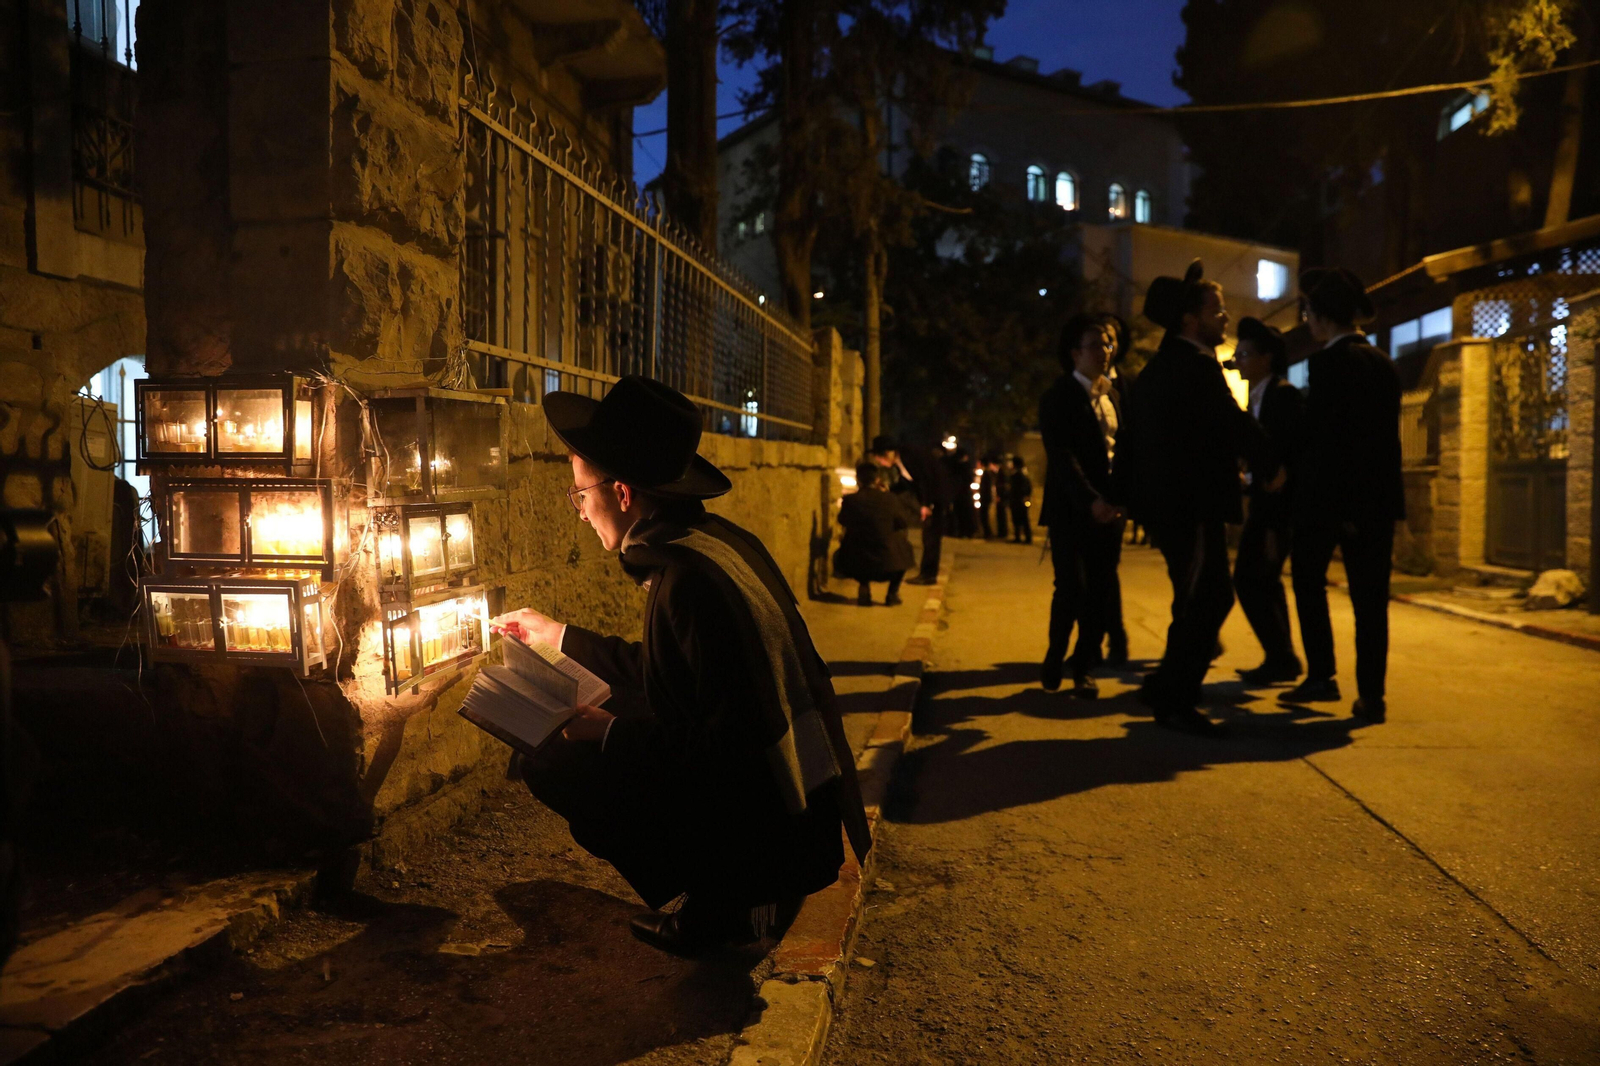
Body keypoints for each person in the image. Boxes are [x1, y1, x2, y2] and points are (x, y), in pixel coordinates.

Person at [493, 375, 871, 956]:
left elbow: (729, 750)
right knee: (598, 723)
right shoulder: (715, 544)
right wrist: (559, 636)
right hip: (798, 812)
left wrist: (612, 732)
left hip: (774, 831)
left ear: (622, 494)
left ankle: (728, 910)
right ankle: (736, 895)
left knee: (553, 758)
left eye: (579, 495)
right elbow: (678, 674)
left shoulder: (688, 583)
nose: (579, 513)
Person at [1116, 260, 1282, 737]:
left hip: (1176, 505)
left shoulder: (1169, 365)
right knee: (1206, 598)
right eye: (1218, 309)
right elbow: (1232, 423)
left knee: (1200, 598)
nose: (1225, 318)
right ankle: (1176, 698)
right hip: (1188, 505)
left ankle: (1167, 686)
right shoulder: (1188, 367)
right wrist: (1273, 462)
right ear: (1191, 319)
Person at [1280, 268, 1404, 722]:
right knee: (1371, 601)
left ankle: (1321, 676)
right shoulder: (1384, 363)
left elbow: (1324, 439)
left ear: (1324, 317)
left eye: (1310, 311)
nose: (1307, 320)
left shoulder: (1329, 364)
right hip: (1378, 501)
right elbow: (1383, 442)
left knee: (1308, 581)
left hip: (1330, 501)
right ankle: (1372, 695)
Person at [1038, 313, 1125, 698]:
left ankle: (1084, 665)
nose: (1104, 352)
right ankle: (1056, 654)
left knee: (1101, 590)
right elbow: (1063, 457)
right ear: (1075, 353)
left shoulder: (1114, 397)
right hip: (1071, 508)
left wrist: (1120, 498)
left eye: (1108, 344)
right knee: (1070, 587)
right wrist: (1090, 500)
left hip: (1112, 509)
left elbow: (1123, 452)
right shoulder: (1058, 397)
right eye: (1095, 345)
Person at [1231, 317, 1306, 686]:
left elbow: (1292, 454)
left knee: (1250, 578)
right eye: (1236, 353)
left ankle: (1282, 656)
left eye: (1244, 354)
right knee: (1263, 580)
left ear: (1266, 358)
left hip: (1278, 509)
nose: (1238, 360)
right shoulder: (1255, 398)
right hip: (1262, 504)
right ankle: (1281, 656)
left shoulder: (1283, 395)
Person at [834, 462, 917, 606]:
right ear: (877, 480)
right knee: (902, 544)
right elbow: (902, 522)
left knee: (850, 540)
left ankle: (864, 586)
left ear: (858, 480)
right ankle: (892, 593)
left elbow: (842, 520)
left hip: (857, 562)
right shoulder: (889, 498)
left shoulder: (850, 500)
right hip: (888, 563)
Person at [1006, 456, 1033, 544]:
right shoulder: (1021, 474)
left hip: (1018, 501)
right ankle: (1021, 537)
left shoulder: (1019, 475)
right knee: (1020, 519)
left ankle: (1025, 537)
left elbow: (1022, 488)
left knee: (1021, 519)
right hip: (1018, 500)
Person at [977, 455, 1001, 540]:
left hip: (985, 498)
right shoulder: (989, 473)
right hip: (987, 497)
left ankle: (987, 533)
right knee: (984, 515)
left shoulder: (986, 473)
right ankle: (987, 532)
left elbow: (985, 487)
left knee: (984, 516)